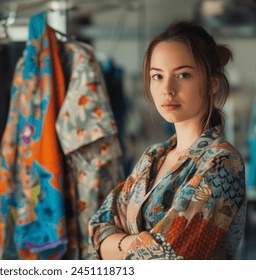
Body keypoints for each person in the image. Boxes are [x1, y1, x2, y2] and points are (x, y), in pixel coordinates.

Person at [88, 21, 246, 260]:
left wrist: (119, 243)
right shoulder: (153, 156)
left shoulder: (222, 162)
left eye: (183, 75)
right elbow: (97, 228)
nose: (167, 89)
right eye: (157, 76)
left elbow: (168, 259)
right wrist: (137, 243)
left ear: (212, 83)